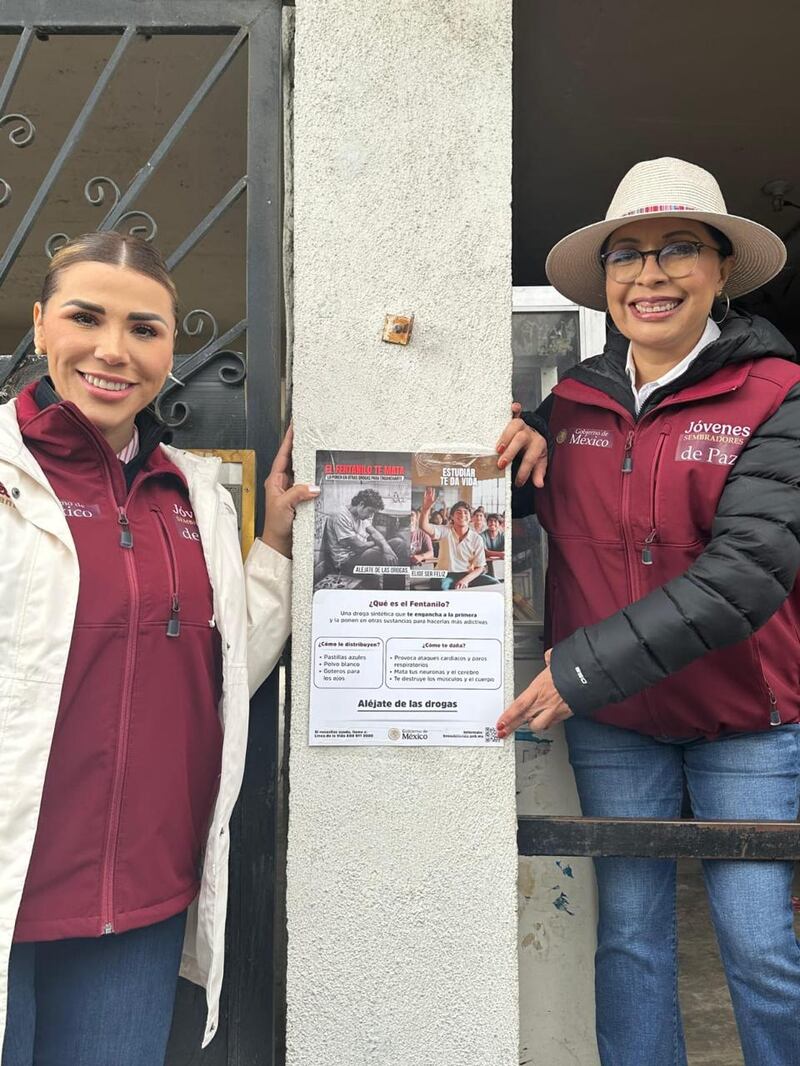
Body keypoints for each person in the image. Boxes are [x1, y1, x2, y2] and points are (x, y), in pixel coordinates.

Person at [495, 158, 800, 1066]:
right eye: (626, 256)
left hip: (744, 719)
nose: (649, 274)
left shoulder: (779, 396)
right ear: (605, 282)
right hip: (619, 725)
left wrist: (579, 669)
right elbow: (483, 505)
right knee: (628, 941)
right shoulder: (575, 401)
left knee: (761, 947)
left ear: (719, 271)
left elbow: (747, 572)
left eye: (678, 250)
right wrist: (497, 448)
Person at [0, 232, 318, 1066]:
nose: (113, 351)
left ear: (171, 351)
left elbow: (215, 675)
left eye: (144, 329)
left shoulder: (195, 495)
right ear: (40, 327)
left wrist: (277, 545)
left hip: (136, 904)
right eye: (85, 318)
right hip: (11, 884)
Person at [419, 489, 496, 589]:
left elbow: (480, 567)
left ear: (471, 518)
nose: (462, 515)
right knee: (442, 587)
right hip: (444, 575)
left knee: (494, 583)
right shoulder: (444, 531)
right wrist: (426, 508)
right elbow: (424, 526)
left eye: (465, 513)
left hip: (466, 575)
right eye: (458, 512)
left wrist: (465, 580)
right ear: (451, 516)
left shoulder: (477, 538)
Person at [321, 488, 407, 575]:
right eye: (370, 511)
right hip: (346, 562)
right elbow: (359, 546)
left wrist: (386, 548)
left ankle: (395, 582)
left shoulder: (360, 516)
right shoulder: (340, 515)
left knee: (399, 543)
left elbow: (374, 532)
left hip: (360, 554)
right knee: (388, 551)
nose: (370, 516)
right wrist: (378, 544)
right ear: (361, 504)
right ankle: (394, 583)